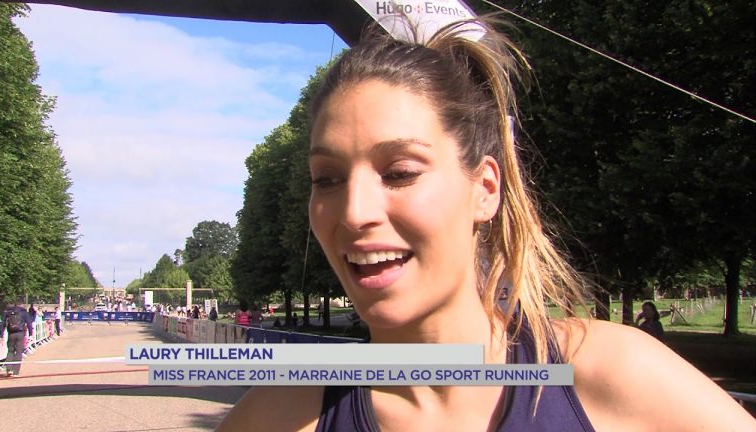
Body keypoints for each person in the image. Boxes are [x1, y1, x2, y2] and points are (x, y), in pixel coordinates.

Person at [217, 16, 754, 432]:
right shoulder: (279, 414)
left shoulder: (610, 374)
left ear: (485, 189)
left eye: (400, 172)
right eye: (327, 179)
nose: (355, 212)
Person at [0, 300, 34, 377]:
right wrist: (31, 334)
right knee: (18, 352)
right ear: (21, 304)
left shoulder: (7, 312)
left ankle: (9, 370)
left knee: (10, 351)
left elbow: (2, 324)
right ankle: (15, 371)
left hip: (11, 333)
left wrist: (1, 336)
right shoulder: (24, 312)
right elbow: (29, 324)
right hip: (21, 333)